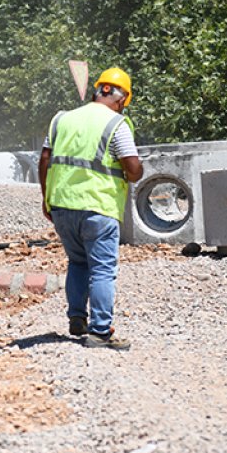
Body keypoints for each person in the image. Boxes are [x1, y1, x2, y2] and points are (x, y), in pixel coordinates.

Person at [37, 67, 144, 351]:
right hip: (98, 207)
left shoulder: (62, 119)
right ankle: (99, 331)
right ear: (122, 100)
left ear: (100, 90)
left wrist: (47, 198)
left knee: (78, 262)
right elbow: (133, 171)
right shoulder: (116, 124)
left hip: (61, 206)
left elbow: (45, 158)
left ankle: (76, 318)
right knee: (102, 270)